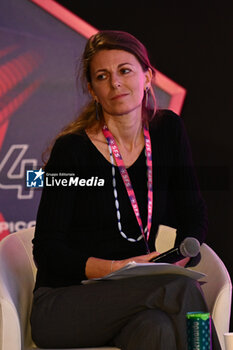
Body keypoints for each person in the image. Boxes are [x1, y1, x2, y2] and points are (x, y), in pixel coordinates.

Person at [30, 30, 221, 350]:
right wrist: (119, 269)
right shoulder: (71, 152)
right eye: (102, 76)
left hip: (136, 300)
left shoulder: (167, 132)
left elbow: (193, 210)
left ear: (147, 77)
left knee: (155, 329)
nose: (115, 83)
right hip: (65, 304)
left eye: (125, 71)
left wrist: (180, 258)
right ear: (92, 90)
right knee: (175, 289)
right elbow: (47, 250)